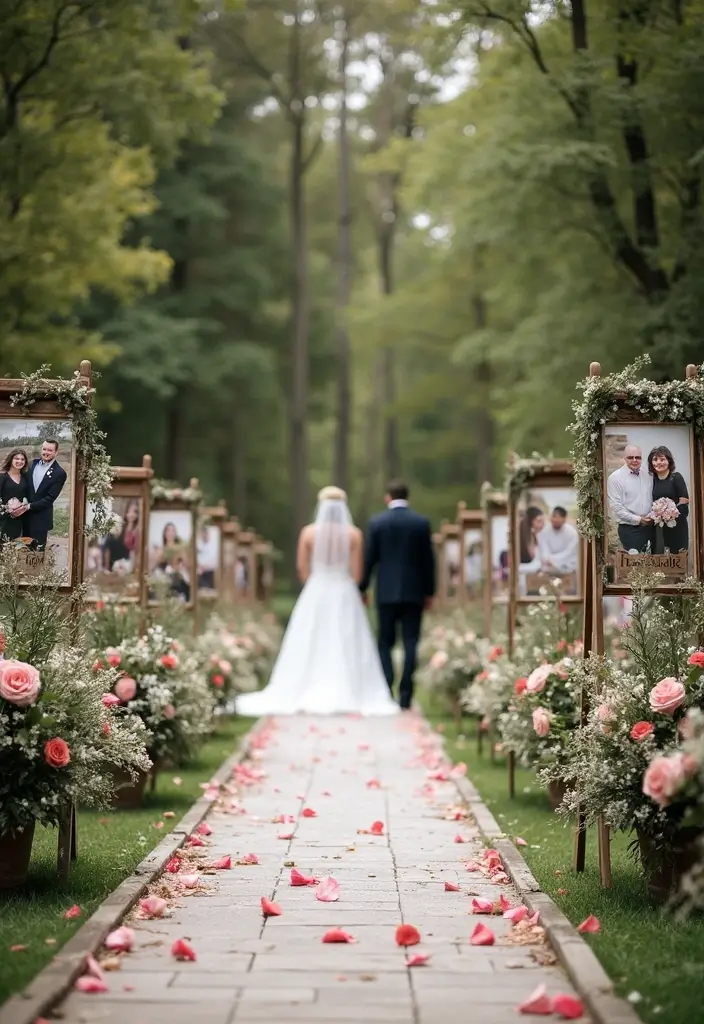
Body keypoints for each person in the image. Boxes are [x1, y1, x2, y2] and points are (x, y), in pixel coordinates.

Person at [236, 486, 398, 716]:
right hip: (343, 590)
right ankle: (350, 688)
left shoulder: (309, 533)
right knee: (346, 637)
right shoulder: (353, 535)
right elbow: (358, 574)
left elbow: (302, 568)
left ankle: (305, 685)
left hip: (317, 588)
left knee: (310, 636)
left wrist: (316, 583)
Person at [360, 480, 436, 711]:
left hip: (385, 592)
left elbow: (369, 559)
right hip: (414, 592)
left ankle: (386, 685)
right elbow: (428, 562)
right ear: (407, 496)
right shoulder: (421, 523)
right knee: (411, 641)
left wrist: (362, 588)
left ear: (387, 497)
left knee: (385, 641)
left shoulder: (377, 523)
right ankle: (406, 693)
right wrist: (429, 591)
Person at [14, 439, 68, 549]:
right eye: (44, 449)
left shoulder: (59, 473)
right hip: (23, 519)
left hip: (41, 520)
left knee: (36, 554)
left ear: (56, 452)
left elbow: (50, 498)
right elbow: (22, 485)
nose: (46, 452)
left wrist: (29, 506)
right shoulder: (31, 464)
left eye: (50, 450)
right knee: (21, 550)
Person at [606, 445, 654, 553]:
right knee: (634, 566)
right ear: (624, 458)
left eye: (638, 457)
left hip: (651, 527)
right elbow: (617, 508)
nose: (634, 460)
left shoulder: (649, 474)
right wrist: (639, 520)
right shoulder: (615, 478)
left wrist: (652, 516)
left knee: (653, 564)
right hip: (630, 529)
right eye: (630, 457)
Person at [648, 445, 689, 554]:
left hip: (676, 525)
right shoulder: (652, 480)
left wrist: (669, 513)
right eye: (655, 459)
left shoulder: (676, 477)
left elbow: (684, 500)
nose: (658, 462)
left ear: (669, 461)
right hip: (658, 527)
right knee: (659, 557)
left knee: (675, 558)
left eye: (662, 459)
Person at [0, 448, 31, 541]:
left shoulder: (26, 477)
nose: (19, 461)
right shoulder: (2, 477)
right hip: (4, 520)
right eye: (16, 458)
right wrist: (6, 508)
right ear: (11, 460)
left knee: (17, 546)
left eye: (22, 459)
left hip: (20, 519)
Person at [538, 507, 579, 574]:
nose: (555, 520)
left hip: (567, 564)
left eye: (558, 517)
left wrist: (553, 559)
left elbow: (569, 552)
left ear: (564, 519)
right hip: (548, 565)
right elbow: (544, 549)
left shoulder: (572, 533)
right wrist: (547, 559)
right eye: (554, 516)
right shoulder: (544, 531)